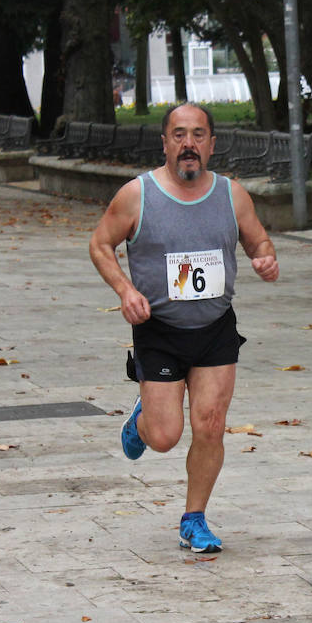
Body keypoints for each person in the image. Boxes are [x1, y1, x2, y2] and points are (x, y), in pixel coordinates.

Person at [89, 103, 280, 553]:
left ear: (212, 144)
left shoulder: (232, 195)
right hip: (159, 329)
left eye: (197, 135)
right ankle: (144, 417)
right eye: (179, 135)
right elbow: (100, 244)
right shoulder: (137, 195)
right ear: (165, 143)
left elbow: (259, 240)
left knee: (210, 425)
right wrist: (125, 290)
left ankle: (194, 519)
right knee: (164, 437)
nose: (188, 144)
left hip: (215, 327)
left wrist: (265, 258)